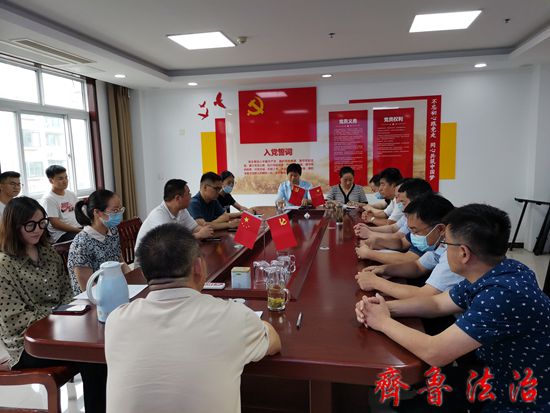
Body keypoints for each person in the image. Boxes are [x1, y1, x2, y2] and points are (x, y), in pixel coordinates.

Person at [356, 204, 550, 412]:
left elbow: (435, 352)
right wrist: (384, 307)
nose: (443, 250)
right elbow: (437, 303)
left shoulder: (503, 294)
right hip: (496, 369)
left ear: (464, 253)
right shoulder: (499, 271)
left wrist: (383, 322)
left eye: (446, 244)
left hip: (520, 394)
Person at [105, 223, 282, 413]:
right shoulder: (233, 318)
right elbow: (274, 343)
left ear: (143, 272)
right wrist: (259, 324)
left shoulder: (116, 321)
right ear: (198, 266)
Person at [0, 197, 107, 412]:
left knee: (99, 353)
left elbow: (66, 290)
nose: (38, 230)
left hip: (61, 330)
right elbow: (14, 319)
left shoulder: (48, 252)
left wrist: (63, 313)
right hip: (27, 344)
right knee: (92, 359)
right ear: (14, 226)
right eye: (30, 225)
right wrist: (57, 314)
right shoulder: (4, 265)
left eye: (42, 223)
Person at [355, 194, 462, 299]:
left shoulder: (456, 251)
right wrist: (384, 269)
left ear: (440, 229)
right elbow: (418, 267)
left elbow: (427, 295)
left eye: (416, 231)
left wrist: (376, 282)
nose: (413, 236)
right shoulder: (440, 242)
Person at [354, 178, 433, 264]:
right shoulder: (413, 216)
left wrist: (370, 253)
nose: (397, 202)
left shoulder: (427, 221)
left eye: (402, 201)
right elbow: (402, 242)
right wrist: (375, 241)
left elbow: (411, 260)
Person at [67, 189, 131, 294]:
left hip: (114, 287)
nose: (119, 214)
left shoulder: (113, 230)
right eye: (115, 211)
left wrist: (133, 280)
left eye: (120, 209)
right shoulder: (81, 244)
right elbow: (87, 288)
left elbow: (121, 262)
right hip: (93, 296)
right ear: (97, 212)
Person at [135, 179, 214, 250]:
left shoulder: (182, 210)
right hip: (148, 258)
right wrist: (199, 235)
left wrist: (205, 230)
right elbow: (170, 242)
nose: (191, 195)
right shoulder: (159, 215)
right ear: (178, 198)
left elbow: (194, 227)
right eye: (188, 193)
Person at [39, 165, 81, 243]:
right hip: (61, 234)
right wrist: (80, 231)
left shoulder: (71, 194)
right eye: (60, 178)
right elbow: (56, 224)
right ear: (51, 181)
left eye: (66, 177)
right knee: (88, 239)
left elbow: (79, 213)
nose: (65, 181)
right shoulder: (48, 199)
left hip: (77, 229)